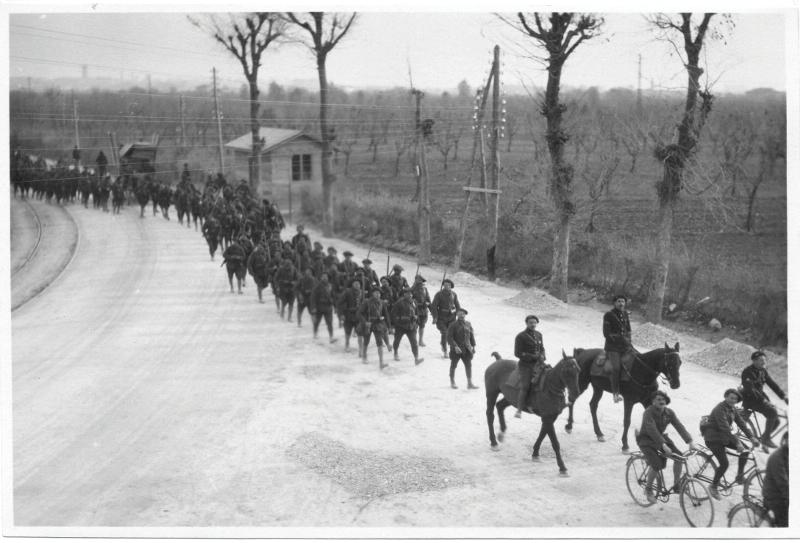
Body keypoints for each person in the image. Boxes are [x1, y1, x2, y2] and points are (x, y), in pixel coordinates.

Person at [636, 390, 699, 504]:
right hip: (646, 440)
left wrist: (689, 441)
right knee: (656, 465)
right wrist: (663, 444)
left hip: (661, 439)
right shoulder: (648, 413)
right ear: (653, 402)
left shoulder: (669, 412)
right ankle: (648, 489)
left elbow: (679, 426)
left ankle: (676, 484)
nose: (661, 401)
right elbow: (652, 429)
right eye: (658, 399)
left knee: (679, 457)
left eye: (663, 399)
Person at [701, 388, 758, 499]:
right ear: (726, 397)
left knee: (745, 451)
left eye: (735, 399)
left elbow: (742, 423)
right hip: (713, 439)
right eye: (731, 398)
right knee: (724, 464)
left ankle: (739, 476)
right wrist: (737, 443)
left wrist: (752, 437)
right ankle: (713, 486)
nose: (733, 400)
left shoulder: (732, 409)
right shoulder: (719, 409)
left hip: (725, 437)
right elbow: (725, 428)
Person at [741, 351, 787, 448]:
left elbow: (772, 384)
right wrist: (764, 401)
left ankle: (763, 438)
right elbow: (751, 390)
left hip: (760, 399)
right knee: (773, 412)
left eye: (765, 360)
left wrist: (783, 397)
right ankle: (766, 439)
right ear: (754, 361)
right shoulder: (747, 372)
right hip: (750, 400)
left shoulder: (762, 371)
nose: (764, 362)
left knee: (777, 421)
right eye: (761, 360)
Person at [603, 294, 634, 403]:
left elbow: (629, 330)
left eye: (623, 302)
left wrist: (629, 342)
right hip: (613, 347)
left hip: (625, 346)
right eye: (619, 301)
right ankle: (615, 393)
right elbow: (606, 334)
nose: (621, 304)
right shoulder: (608, 315)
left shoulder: (625, 314)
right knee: (616, 368)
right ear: (614, 303)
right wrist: (621, 339)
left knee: (637, 360)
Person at [514, 315, 546, 418]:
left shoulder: (539, 334)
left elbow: (542, 348)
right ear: (526, 323)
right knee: (525, 386)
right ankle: (519, 409)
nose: (533, 324)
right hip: (526, 365)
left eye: (534, 323)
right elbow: (517, 353)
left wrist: (543, 355)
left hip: (538, 364)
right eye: (531, 322)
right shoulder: (521, 336)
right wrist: (532, 356)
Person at [359, 287, 392, 369]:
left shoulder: (382, 302)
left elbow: (386, 315)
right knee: (366, 341)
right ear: (372, 293)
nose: (378, 294)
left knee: (379, 342)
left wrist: (389, 326)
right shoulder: (367, 302)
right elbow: (360, 313)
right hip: (369, 324)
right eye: (376, 293)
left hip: (378, 324)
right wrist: (365, 322)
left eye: (379, 293)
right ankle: (364, 356)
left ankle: (381, 363)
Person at [390, 288, 424, 365]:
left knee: (414, 342)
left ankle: (416, 358)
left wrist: (416, 320)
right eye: (407, 293)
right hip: (400, 326)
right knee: (397, 341)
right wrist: (398, 322)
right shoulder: (399, 303)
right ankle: (395, 352)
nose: (409, 295)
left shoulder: (414, 302)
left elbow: (416, 312)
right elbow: (393, 314)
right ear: (404, 294)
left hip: (411, 326)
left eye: (410, 294)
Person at [762, 432, 789, 527]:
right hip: (773, 495)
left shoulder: (789, 455)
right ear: (785, 440)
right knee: (785, 521)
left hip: (781, 492)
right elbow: (783, 483)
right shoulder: (777, 457)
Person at [446, 308, 477, 390]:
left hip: (467, 349)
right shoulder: (453, 325)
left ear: (465, 315)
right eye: (459, 314)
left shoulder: (468, 324)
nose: (461, 315)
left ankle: (469, 383)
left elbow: (471, 336)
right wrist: (455, 346)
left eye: (463, 314)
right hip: (456, 350)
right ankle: (452, 382)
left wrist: (473, 346)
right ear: (457, 315)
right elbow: (449, 337)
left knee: (468, 366)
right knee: (453, 365)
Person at [431, 278, 461, 358]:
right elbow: (433, 306)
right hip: (441, 318)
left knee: (451, 334)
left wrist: (459, 314)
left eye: (449, 285)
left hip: (451, 317)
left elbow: (457, 305)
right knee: (445, 333)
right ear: (443, 286)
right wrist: (435, 317)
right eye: (445, 285)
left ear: (451, 286)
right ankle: (445, 350)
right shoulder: (439, 294)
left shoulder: (454, 294)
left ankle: (452, 348)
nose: (447, 286)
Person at [339, 278, 364, 354]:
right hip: (348, 315)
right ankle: (347, 344)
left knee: (360, 332)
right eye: (355, 283)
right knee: (348, 332)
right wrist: (342, 314)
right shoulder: (347, 292)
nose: (357, 285)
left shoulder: (362, 293)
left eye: (358, 284)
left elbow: (365, 304)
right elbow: (340, 303)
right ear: (352, 284)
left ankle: (361, 348)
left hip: (358, 316)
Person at [310, 272, 337, 343]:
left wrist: (335, 306)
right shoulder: (317, 287)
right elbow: (313, 298)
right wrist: (313, 308)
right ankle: (315, 333)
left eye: (326, 277)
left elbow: (334, 296)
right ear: (321, 278)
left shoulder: (330, 286)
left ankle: (331, 336)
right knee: (317, 322)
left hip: (328, 307)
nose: (325, 278)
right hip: (319, 307)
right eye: (323, 277)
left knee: (329, 323)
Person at [410, 274, 431, 347]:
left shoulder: (425, 289)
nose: (419, 282)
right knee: (414, 326)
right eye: (417, 280)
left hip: (424, 310)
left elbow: (428, 299)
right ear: (415, 280)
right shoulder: (411, 289)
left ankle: (420, 340)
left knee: (422, 326)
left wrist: (427, 304)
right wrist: (414, 302)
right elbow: (409, 300)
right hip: (415, 310)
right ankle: (414, 341)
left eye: (420, 281)